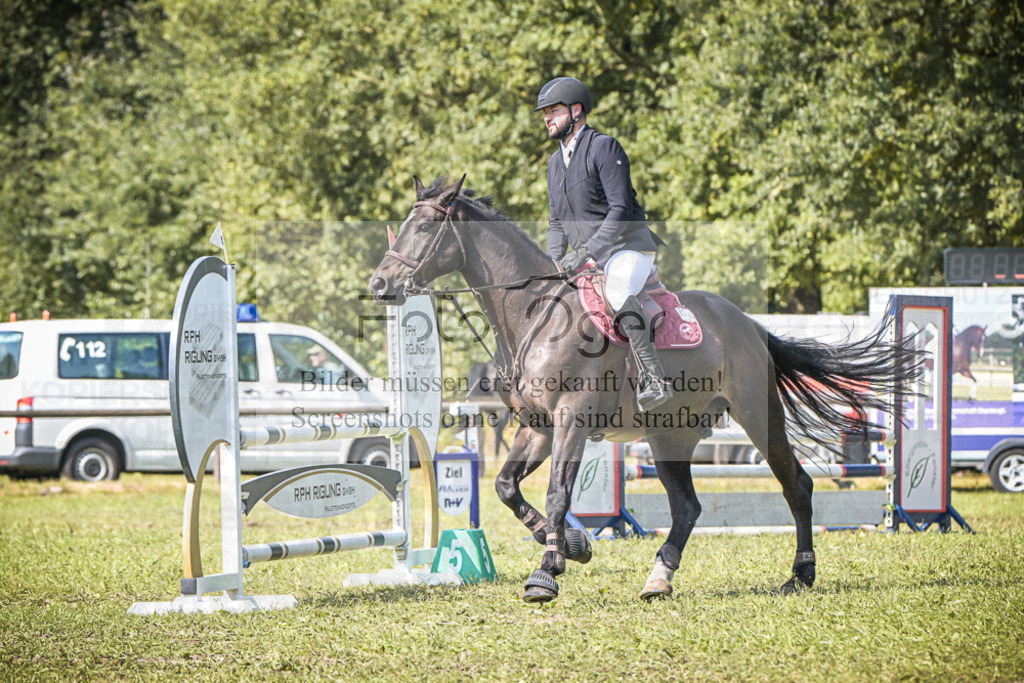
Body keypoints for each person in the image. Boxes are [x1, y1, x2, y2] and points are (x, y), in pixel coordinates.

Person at [535, 76, 673, 413]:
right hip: (591, 256)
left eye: (553, 111)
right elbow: (556, 222)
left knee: (617, 292)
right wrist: (552, 262)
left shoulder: (603, 146)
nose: (546, 118)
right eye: (545, 113)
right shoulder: (555, 163)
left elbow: (621, 209)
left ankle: (655, 378)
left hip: (628, 248)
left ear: (576, 111)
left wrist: (586, 253)